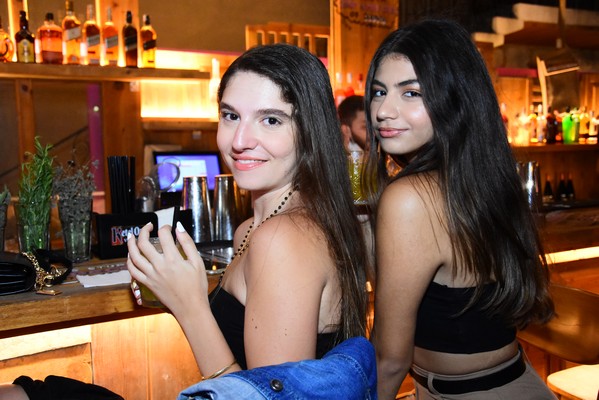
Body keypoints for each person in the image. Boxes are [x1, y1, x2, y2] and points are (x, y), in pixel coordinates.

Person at [127, 43, 369, 380]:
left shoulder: (282, 238)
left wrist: (190, 307)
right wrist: (174, 288)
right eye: (231, 116)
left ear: (310, 131)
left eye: (270, 120)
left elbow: (268, 395)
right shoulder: (252, 229)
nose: (239, 141)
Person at [363, 20, 556, 399]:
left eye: (411, 93)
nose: (384, 110)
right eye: (379, 91)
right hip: (512, 383)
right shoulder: (480, 179)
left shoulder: (411, 197)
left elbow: (389, 359)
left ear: (455, 99)